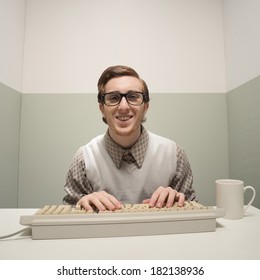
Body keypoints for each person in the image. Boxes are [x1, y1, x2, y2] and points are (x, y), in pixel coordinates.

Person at [63, 65, 196, 211]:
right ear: (102, 108)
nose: (124, 107)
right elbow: (66, 220)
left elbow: (193, 217)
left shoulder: (174, 156)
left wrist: (180, 202)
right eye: (113, 98)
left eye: (133, 96)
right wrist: (79, 206)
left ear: (145, 106)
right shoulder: (84, 160)